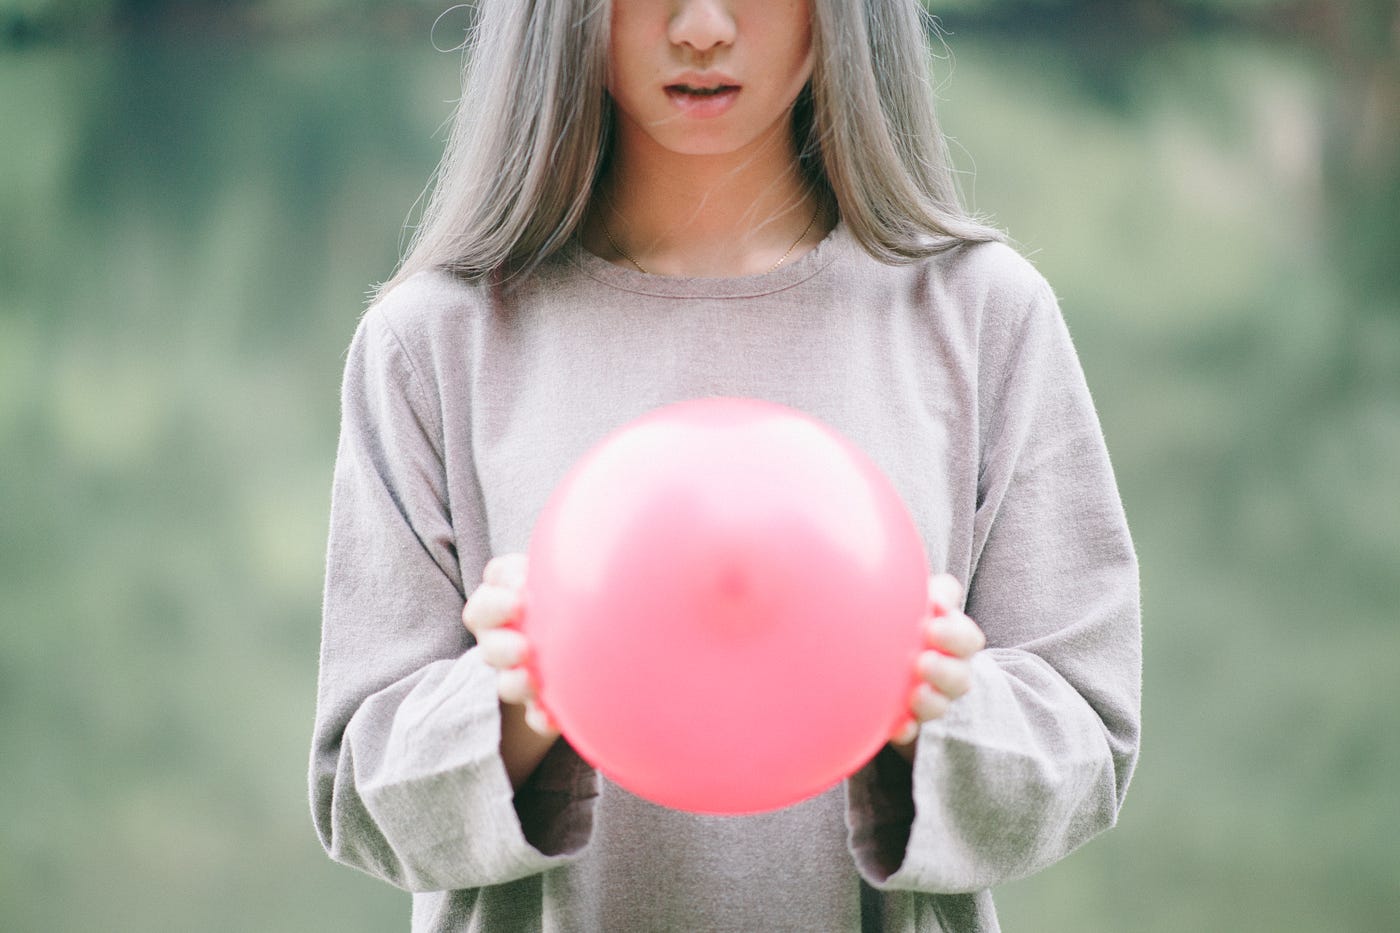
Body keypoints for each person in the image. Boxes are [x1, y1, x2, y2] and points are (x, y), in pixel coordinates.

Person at [309, 1, 1142, 930]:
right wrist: (520, 696)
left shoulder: (982, 314)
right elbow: (354, 787)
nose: (701, 28)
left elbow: (1089, 737)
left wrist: (933, 703)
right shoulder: (432, 340)